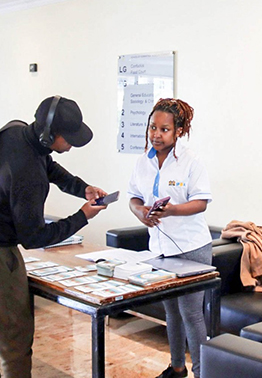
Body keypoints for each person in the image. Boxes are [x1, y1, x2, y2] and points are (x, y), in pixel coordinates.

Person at [0, 96, 108, 378]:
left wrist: (81, 188)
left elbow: (47, 164)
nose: (72, 144)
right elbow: (33, 237)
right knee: (15, 340)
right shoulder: (26, 175)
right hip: (1, 253)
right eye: (69, 138)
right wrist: (82, 217)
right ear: (50, 135)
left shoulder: (17, 131)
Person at [128, 98, 212, 378]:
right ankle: (177, 368)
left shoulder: (192, 161)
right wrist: (140, 212)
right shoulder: (143, 161)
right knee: (171, 312)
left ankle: (202, 373)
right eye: (153, 127)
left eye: (164, 129)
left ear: (178, 131)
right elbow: (134, 197)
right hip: (160, 250)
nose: (156, 134)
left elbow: (200, 202)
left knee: (191, 313)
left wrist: (173, 210)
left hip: (191, 248)